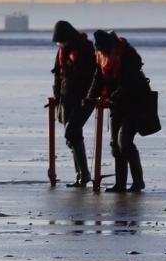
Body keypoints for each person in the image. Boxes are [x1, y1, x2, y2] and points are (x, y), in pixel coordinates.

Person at [86, 30, 154, 193]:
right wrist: (90, 96)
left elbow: (130, 82)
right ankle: (120, 183)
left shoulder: (128, 55)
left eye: (102, 47)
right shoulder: (102, 56)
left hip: (135, 104)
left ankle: (138, 181)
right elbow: (99, 78)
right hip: (117, 105)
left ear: (110, 45)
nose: (100, 50)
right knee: (116, 146)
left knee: (124, 142)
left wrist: (113, 97)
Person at [48, 21, 97, 187]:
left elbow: (91, 74)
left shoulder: (86, 48)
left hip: (84, 97)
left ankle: (84, 174)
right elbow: (58, 75)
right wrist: (56, 94)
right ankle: (81, 175)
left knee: (72, 131)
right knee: (73, 136)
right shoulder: (61, 52)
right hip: (66, 98)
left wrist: (89, 96)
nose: (61, 44)